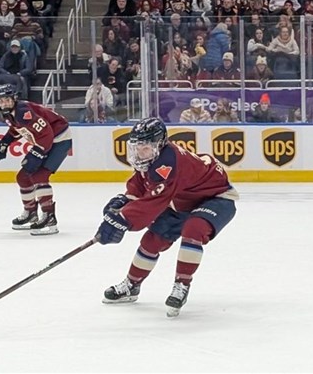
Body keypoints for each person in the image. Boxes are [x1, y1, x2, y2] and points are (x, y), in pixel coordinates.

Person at [96, 117, 238, 317]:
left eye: (144, 147)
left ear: (158, 144)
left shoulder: (168, 163)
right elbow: (141, 183)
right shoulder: (151, 157)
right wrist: (125, 199)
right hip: (181, 200)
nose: (139, 152)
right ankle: (132, 285)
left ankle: (181, 285)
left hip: (216, 198)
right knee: (152, 240)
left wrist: (123, 220)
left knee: (193, 229)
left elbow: (153, 202)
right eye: (136, 147)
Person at [0, 83, 72, 235]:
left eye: (7, 100)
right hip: (46, 140)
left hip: (59, 139)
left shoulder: (23, 111)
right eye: (1, 101)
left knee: (39, 176)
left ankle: (49, 217)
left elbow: (46, 133)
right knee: (23, 177)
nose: (4, 103)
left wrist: (37, 152)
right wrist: (4, 143)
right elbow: (18, 129)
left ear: (14, 99)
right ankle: (31, 213)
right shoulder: (10, 113)